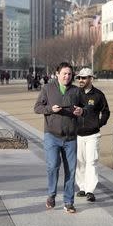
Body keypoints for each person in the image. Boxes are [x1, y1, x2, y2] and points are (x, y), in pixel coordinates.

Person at [34, 62, 85, 214]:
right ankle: (51, 194)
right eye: (64, 73)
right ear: (57, 74)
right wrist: (50, 109)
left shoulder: (77, 91)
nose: (67, 76)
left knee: (70, 170)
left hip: (70, 138)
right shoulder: (47, 89)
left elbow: (85, 109)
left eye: (69, 74)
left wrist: (81, 111)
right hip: (52, 135)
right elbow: (37, 108)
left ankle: (69, 202)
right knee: (53, 166)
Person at [75, 68, 110, 203]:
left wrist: (98, 124)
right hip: (78, 135)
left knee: (92, 162)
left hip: (93, 135)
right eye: (79, 78)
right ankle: (82, 188)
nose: (80, 80)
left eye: (84, 78)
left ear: (91, 79)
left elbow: (106, 112)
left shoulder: (99, 95)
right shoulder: (75, 93)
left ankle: (90, 190)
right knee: (80, 163)